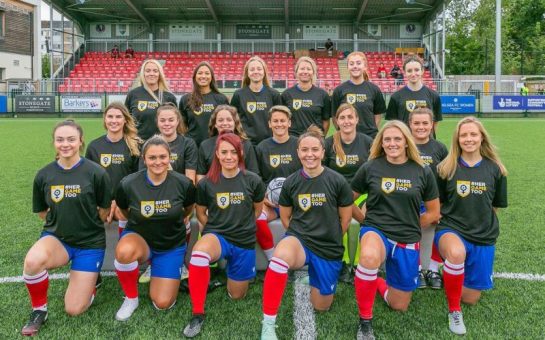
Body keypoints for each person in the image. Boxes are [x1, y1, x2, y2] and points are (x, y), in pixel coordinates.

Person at [260, 126, 353, 340]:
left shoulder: (337, 181)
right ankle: (267, 324)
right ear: (298, 152)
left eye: (314, 149)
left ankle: (314, 274)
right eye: (304, 150)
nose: (309, 154)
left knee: (322, 306)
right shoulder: (291, 182)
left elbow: (345, 219)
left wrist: (331, 236)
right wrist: (294, 236)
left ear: (322, 152)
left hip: (328, 246)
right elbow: (285, 217)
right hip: (299, 239)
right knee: (279, 260)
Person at [351, 120, 440, 339]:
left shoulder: (422, 171)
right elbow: (347, 200)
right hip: (376, 230)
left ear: (407, 142)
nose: (392, 143)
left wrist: (408, 221)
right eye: (387, 139)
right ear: (381, 143)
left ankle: (378, 283)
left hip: (407, 238)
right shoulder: (371, 167)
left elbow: (433, 212)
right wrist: (364, 219)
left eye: (397, 139)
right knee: (369, 256)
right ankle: (364, 321)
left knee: (399, 305)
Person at [21, 120, 111, 336]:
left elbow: (104, 211)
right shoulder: (44, 175)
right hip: (58, 238)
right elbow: (43, 212)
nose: (65, 144)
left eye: (71, 139)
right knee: (32, 262)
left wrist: (84, 224)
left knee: (74, 309)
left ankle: (91, 279)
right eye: (60, 139)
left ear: (80, 142)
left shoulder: (96, 173)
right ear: (54, 142)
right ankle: (39, 310)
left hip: (90, 244)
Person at [183, 133, 265, 338]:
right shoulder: (206, 184)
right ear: (217, 155)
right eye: (224, 152)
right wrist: (213, 229)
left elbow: (257, 210)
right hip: (217, 235)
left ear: (240, 153)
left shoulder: (253, 180)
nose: (229, 156)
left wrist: (241, 225)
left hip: (244, 241)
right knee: (199, 253)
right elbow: (200, 213)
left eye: (233, 152)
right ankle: (198, 313)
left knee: (236, 295)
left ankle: (229, 273)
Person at [435, 117, 507, 335]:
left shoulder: (496, 170)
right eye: (464, 135)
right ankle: (454, 312)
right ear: (457, 139)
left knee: (471, 298)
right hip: (451, 229)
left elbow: (495, 206)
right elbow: (438, 203)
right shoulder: (446, 168)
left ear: (481, 137)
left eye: (473, 134)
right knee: (456, 253)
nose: (469, 139)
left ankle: (456, 274)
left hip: (483, 236)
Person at [113, 135, 196, 321]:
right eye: (152, 158)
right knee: (124, 252)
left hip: (170, 246)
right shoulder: (128, 184)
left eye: (162, 157)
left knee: (162, 303)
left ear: (169, 157)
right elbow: (125, 212)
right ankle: (131, 298)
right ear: (144, 159)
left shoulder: (183, 184)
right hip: (140, 239)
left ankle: (167, 267)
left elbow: (188, 210)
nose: (158, 162)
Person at [323, 103, 373, 283]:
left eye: (350, 117)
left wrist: (358, 200)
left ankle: (359, 264)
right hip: (336, 196)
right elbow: (323, 175)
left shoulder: (368, 142)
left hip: (363, 195)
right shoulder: (328, 143)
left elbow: (374, 174)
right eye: (342, 118)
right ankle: (343, 262)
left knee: (361, 220)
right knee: (345, 218)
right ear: (336, 121)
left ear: (357, 119)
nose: (346, 121)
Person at [86, 102, 141, 236]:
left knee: (120, 212)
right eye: (110, 117)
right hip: (102, 200)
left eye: (118, 117)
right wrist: (104, 202)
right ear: (105, 119)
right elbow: (89, 180)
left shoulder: (136, 145)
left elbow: (138, 179)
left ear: (125, 120)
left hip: (128, 199)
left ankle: (126, 250)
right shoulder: (94, 146)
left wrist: (119, 201)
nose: (114, 120)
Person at [408, 108, 448, 289]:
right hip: (409, 201)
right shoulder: (404, 145)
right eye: (416, 123)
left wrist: (442, 204)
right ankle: (415, 268)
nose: (421, 127)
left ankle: (432, 269)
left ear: (432, 125)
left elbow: (447, 177)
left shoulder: (439, 148)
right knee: (410, 232)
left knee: (436, 232)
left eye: (425, 123)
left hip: (434, 201)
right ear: (410, 124)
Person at [255, 105, 302, 260]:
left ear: (289, 123)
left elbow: (306, 175)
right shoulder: (262, 147)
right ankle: (272, 258)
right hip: (270, 204)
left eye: (283, 120)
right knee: (256, 217)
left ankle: (301, 257)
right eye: (275, 121)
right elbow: (257, 177)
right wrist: (264, 199)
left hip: (295, 202)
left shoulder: (299, 145)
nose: (279, 124)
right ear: (269, 124)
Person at [196, 105, 259, 182]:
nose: (225, 123)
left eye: (229, 120)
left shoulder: (246, 144)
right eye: (220, 120)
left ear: (235, 123)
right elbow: (200, 175)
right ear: (215, 124)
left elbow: (253, 173)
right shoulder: (205, 145)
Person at [331, 51, 386, 139]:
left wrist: (371, 131)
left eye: (358, 63)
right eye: (351, 64)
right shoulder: (339, 90)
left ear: (365, 66)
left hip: (369, 137)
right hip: (347, 138)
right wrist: (343, 131)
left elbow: (377, 115)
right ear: (348, 67)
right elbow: (334, 116)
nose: (355, 66)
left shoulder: (374, 89)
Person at [386, 55, 442, 137]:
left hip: (426, 143)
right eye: (409, 71)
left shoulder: (434, 95)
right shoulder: (396, 97)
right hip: (405, 143)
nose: (413, 74)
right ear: (404, 72)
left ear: (422, 71)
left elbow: (435, 121)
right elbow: (393, 123)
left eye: (416, 70)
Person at [230, 56, 282, 145]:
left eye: (259, 69)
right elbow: (232, 120)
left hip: (269, 143)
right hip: (246, 144)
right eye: (252, 69)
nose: (256, 72)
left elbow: (280, 120)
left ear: (264, 72)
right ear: (247, 73)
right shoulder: (238, 95)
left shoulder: (274, 95)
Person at [125, 59, 177, 140]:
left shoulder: (169, 97)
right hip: (138, 144)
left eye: (155, 71)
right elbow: (125, 120)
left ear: (159, 74)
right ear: (143, 74)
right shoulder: (133, 94)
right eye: (148, 71)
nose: (151, 74)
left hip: (162, 145)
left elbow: (176, 123)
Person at [179, 62, 229, 146]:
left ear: (211, 77)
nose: (203, 76)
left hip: (215, 145)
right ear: (195, 77)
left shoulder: (221, 99)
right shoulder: (185, 99)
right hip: (192, 146)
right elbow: (182, 125)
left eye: (207, 73)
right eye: (200, 73)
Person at [281, 56, 331, 136]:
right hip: (293, 141)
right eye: (302, 68)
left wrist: (320, 137)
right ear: (296, 71)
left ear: (313, 72)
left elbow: (326, 121)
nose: (305, 71)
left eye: (308, 69)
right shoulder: (287, 94)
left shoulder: (322, 94)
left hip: (314, 140)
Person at [155, 104, 198, 183]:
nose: (167, 123)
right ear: (157, 122)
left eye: (171, 120)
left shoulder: (188, 144)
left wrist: (171, 173)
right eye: (162, 120)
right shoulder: (150, 145)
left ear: (178, 121)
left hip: (179, 191)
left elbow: (190, 180)